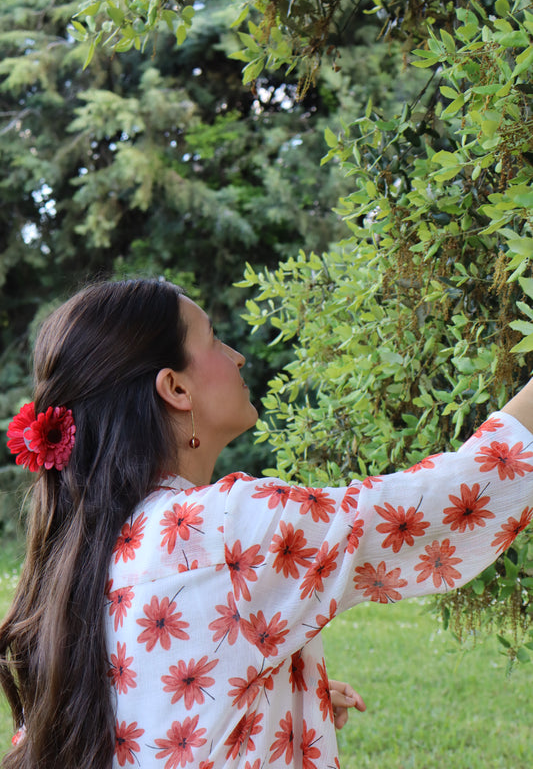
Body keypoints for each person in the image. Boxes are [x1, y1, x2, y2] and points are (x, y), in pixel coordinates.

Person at [0, 277, 532, 769]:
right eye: (212, 341)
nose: (236, 355)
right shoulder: (225, 529)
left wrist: (286, 692)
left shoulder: (88, 553)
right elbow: (454, 500)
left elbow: (145, 704)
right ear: (176, 389)